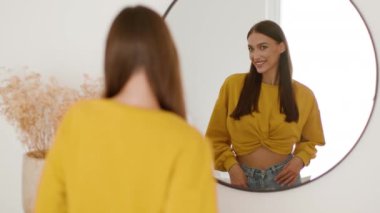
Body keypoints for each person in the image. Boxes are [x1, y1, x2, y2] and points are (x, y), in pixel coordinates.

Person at [35, 6, 217, 213]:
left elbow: (46, 207)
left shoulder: (78, 119)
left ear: (112, 58)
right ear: (167, 59)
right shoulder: (189, 143)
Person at [206, 20, 325, 191]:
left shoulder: (304, 95)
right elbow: (214, 138)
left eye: (263, 47)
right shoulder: (233, 85)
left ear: (281, 47)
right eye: (251, 48)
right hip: (241, 178)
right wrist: (232, 167)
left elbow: (311, 140)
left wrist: (298, 162)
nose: (255, 56)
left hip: (285, 180)